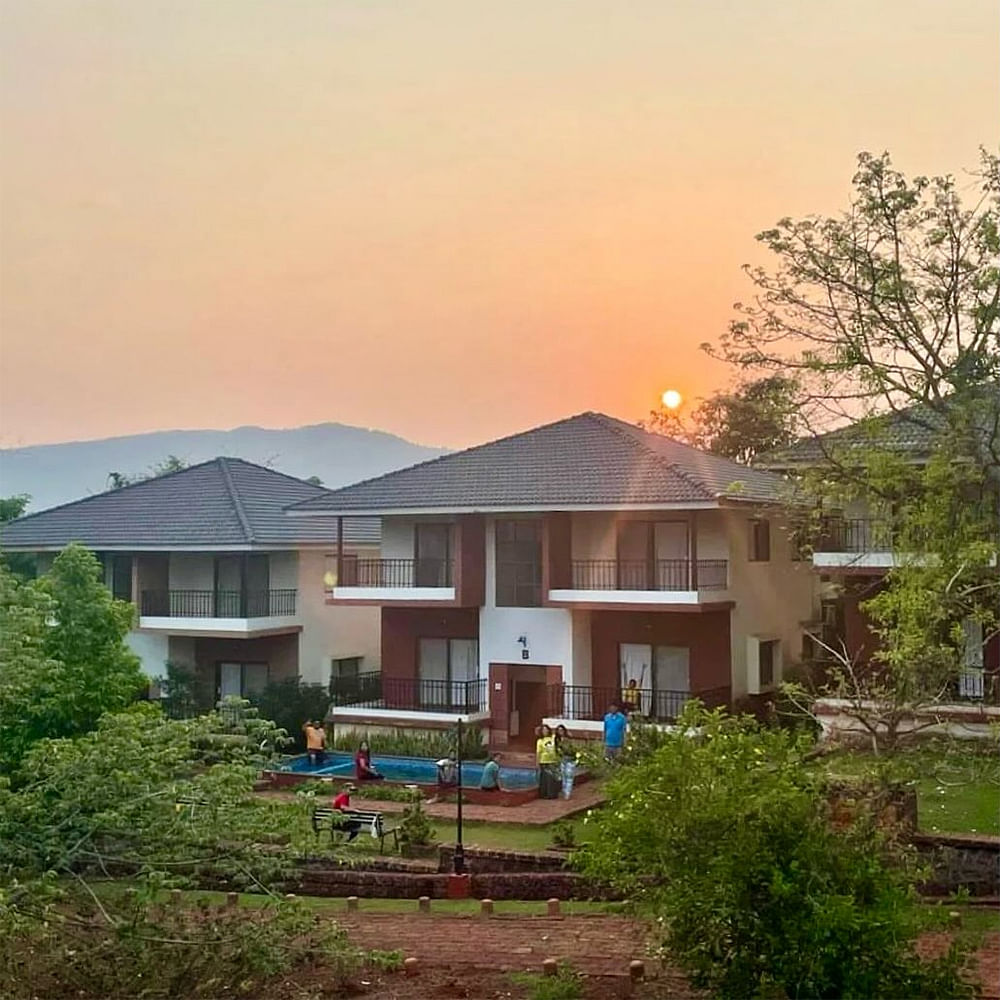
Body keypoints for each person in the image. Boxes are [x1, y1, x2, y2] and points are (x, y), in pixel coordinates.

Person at [536, 724, 559, 799]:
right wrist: (537, 762)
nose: (545, 731)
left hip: (553, 761)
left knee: (552, 778)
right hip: (544, 761)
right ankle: (544, 794)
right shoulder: (540, 741)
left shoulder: (553, 738)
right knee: (545, 779)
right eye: (543, 730)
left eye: (546, 729)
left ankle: (552, 794)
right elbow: (538, 752)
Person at [554, 724, 577, 800]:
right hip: (562, 760)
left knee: (569, 776)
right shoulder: (557, 740)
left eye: (562, 730)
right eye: (559, 730)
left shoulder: (569, 739)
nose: (560, 732)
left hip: (570, 759)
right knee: (563, 776)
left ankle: (568, 793)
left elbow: (573, 749)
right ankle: (564, 791)